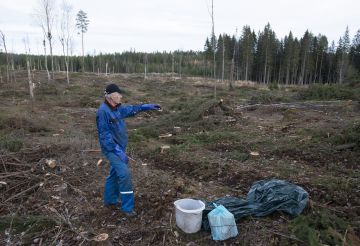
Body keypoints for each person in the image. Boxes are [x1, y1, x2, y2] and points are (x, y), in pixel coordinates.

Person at [96, 83, 161, 216]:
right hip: (112, 149)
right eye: (118, 94)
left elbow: (129, 110)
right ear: (110, 96)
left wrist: (144, 107)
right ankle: (127, 208)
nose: (120, 96)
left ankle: (109, 201)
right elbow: (104, 135)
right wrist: (117, 150)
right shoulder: (103, 112)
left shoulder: (116, 108)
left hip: (120, 147)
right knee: (124, 174)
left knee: (114, 173)